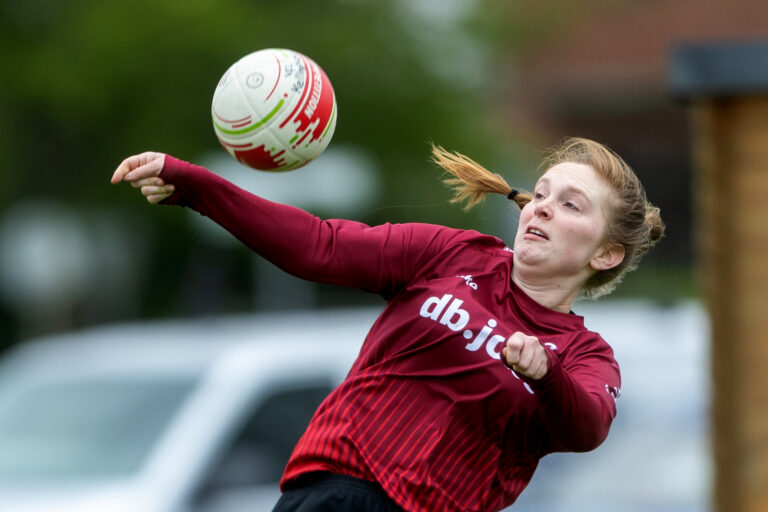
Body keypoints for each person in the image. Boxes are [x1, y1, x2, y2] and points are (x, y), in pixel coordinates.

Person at [111, 137, 664, 512]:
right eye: (540, 194)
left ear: (607, 254)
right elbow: (318, 247)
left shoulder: (584, 354)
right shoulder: (452, 254)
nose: (540, 208)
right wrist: (197, 187)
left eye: (570, 206)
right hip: (332, 490)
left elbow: (586, 427)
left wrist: (547, 375)